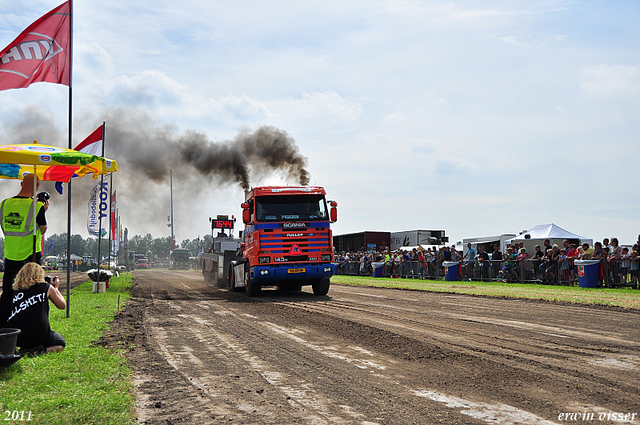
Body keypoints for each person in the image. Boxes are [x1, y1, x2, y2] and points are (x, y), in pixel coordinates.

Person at [0, 174, 49, 327]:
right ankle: (30, 326)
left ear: (22, 184)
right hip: (30, 257)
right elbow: (43, 229)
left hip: (10, 254)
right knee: (32, 293)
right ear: (37, 187)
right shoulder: (37, 206)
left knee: (8, 294)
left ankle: (3, 328)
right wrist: (43, 210)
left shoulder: (3, 204)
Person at [6, 262, 66, 354]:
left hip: (17, 337)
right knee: (61, 343)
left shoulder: (17, 292)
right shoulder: (46, 287)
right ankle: (39, 351)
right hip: (40, 335)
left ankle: (27, 348)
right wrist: (56, 288)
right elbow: (62, 305)